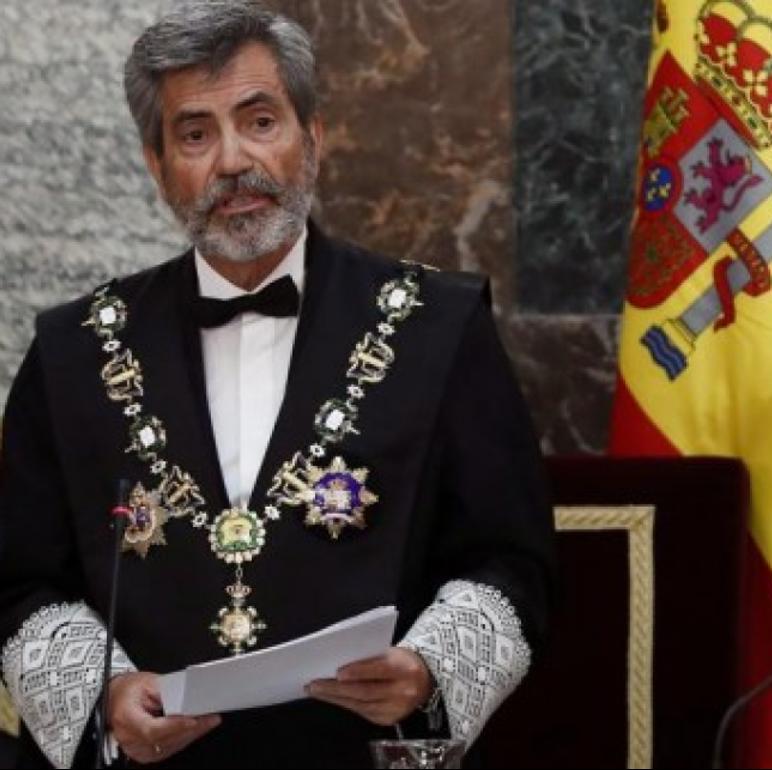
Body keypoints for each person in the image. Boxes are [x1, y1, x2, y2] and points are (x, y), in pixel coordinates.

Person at [0, 1, 554, 766]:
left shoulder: (439, 327)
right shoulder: (74, 351)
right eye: (196, 134)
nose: (233, 161)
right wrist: (105, 694)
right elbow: (21, 582)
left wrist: (428, 670)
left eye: (260, 121)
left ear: (312, 136)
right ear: (157, 166)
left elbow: (511, 561)